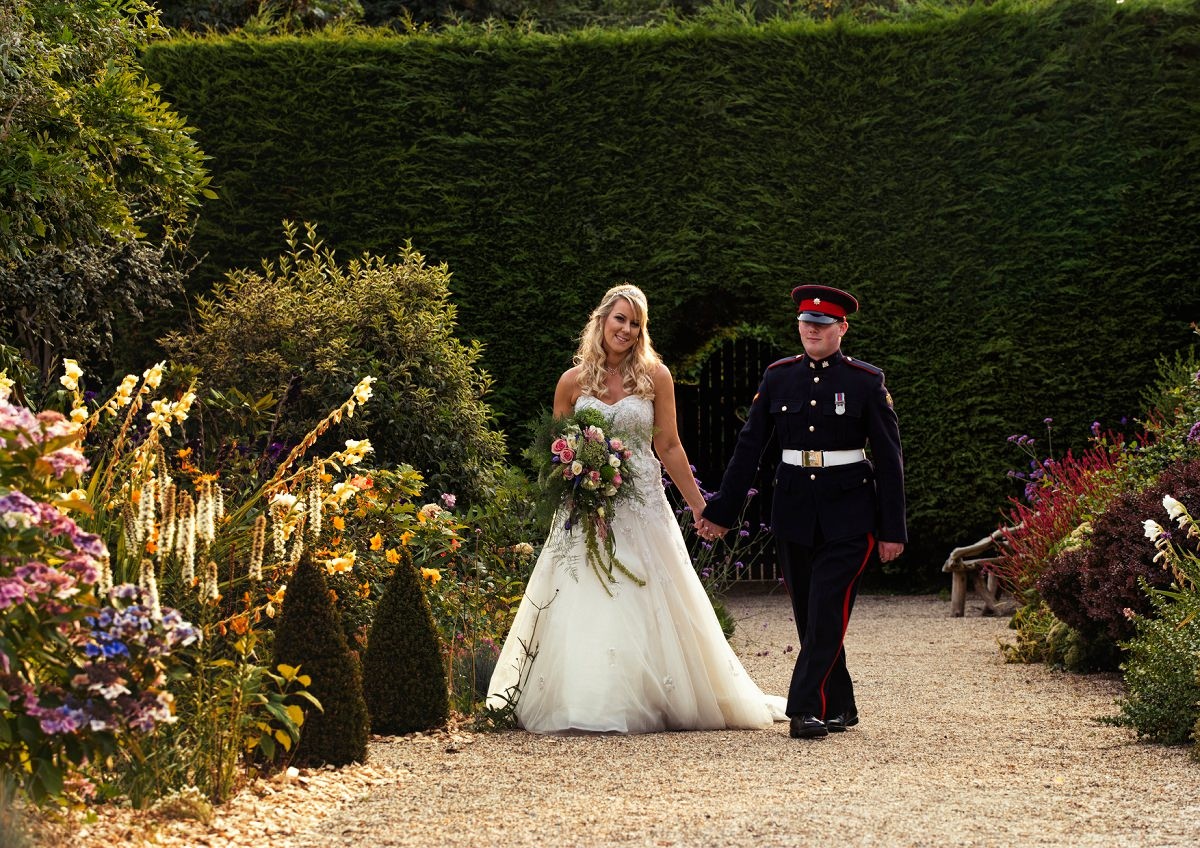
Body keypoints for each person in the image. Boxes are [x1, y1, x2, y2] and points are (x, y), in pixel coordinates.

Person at [487, 284, 786, 734]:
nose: (626, 330)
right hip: (583, 509)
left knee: (647, 592)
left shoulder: (654, 377)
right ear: (602, 320)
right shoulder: (572, 382)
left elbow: (667, 444)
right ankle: (586, 699)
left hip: (641, 505)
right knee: (582, 592)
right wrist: (574, 482)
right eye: (620, 319)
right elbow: (556, 448)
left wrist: (702, 508)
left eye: (635, 323)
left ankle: (651, 697)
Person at [698, 284, 906, 740]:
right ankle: (842, 705)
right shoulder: (778, 377)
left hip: (851, 513)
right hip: (794, 510)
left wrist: (893, 529)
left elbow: (890, 460)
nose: (812, 331)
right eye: (806, 324)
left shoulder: (866, 382)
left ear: (841, 328)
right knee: (812, 615)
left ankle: (805, 707)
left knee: (828, 605)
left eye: (822, 324)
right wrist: (721, 511)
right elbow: (748, 449)